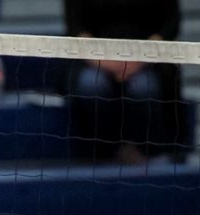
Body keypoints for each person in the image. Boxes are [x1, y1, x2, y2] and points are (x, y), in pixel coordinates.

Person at [64, 0, 184, 164]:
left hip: (147, 61)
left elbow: (170, 25)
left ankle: (150, 151)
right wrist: (104, 61)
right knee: (91, 85)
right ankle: (109, 151)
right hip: (96, 60)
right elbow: (75, 28)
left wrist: (138, 60)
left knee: (142, 88)